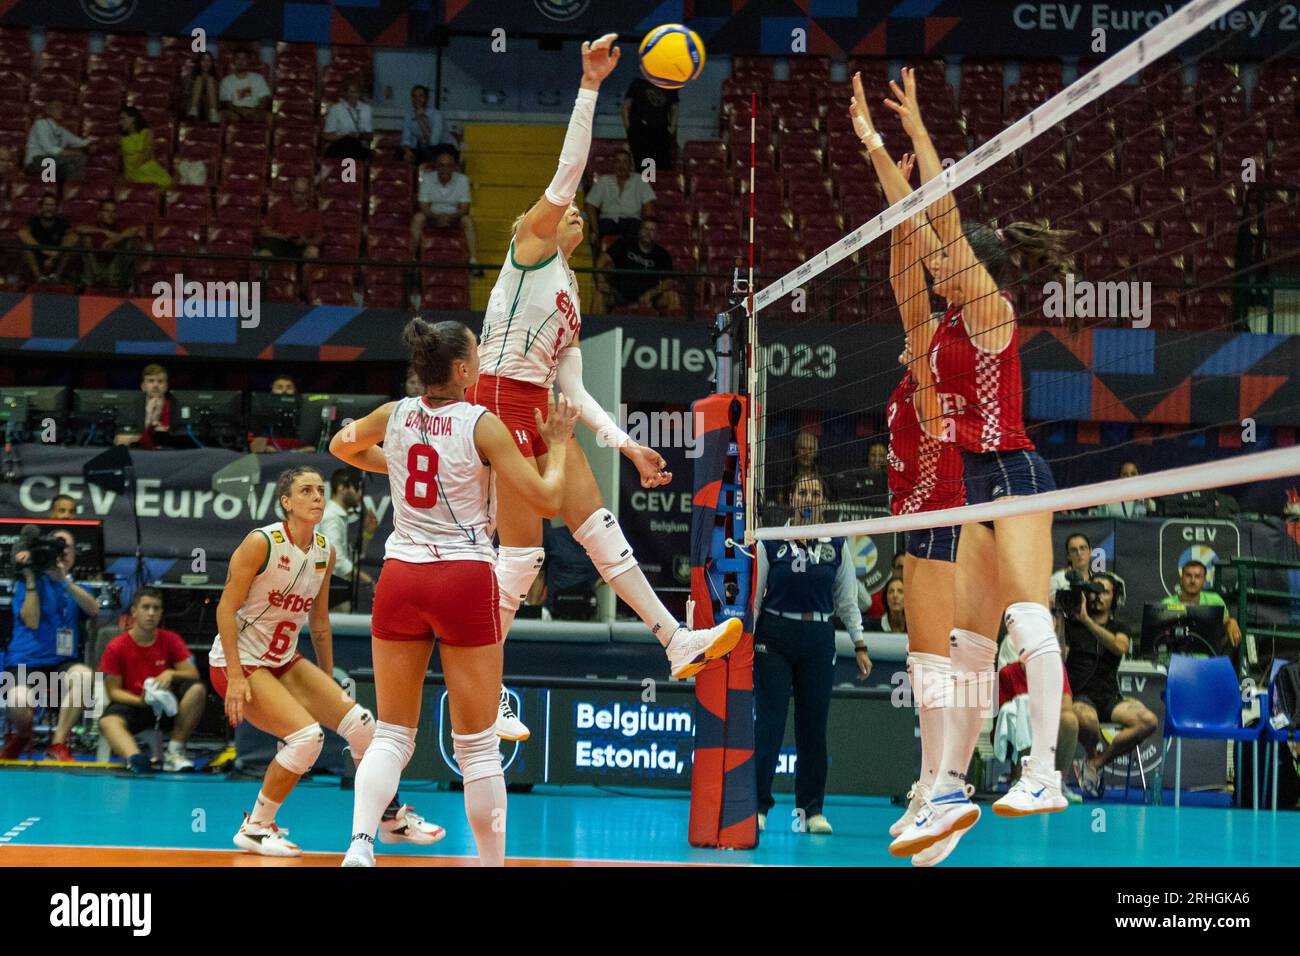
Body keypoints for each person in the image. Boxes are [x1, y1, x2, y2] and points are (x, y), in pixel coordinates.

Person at [469, 34, 741, 741]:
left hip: (539, 405)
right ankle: (486, 694)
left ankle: (675, 638)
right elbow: (569, 168)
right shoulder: (527, 251)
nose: (576, 210)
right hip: (497, 398)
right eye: (567, 207)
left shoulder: (568, 293)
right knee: (521, 560)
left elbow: (575, 391)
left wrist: (629, 446)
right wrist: (591, 85)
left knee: (598, 530)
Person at [857, 67, 1076, 859]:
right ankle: (946, 786)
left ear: (970, 268)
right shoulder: (930, 338)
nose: (935, 262)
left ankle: (1045, 767)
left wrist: (915, 133)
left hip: (1008, 470)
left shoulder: (991, 312)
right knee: (971, 652)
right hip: (966, 491)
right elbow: (904, 243)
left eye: (947, 259)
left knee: (1023, 618)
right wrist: (878, 151)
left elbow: (938, 220)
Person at [329, 318, 580, 867]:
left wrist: (389, 462)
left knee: (393, 734)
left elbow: (340, 445)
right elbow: (545, 501)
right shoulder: (482, 424)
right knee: (477, 746)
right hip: (463, 577)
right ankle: (491, 865)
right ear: (464, 369)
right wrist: (557, 447)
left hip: (401, 577)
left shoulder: (393, 414)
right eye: (477, 355)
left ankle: (359, 847)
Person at [210, 466, 444, 856]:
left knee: (364, 727)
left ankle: (390, 820)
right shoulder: (261, 543)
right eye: (306, 490)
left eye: (320, 490)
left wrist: (327, 675)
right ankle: (256, 827)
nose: (317, 496)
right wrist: (235, 675)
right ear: (286, 502)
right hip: (240, 662)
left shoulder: (324, 550)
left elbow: (319, 622)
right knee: (307, 739)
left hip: (284, 660)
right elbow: (224, 609)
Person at [753, 475, 869, 836]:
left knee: (813, 728)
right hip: (774, 636)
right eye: (802, 490)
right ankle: (757, 807)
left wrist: (860, 644)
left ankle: (811, 811)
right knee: (769, 725)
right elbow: (755, 598)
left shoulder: (836, 542)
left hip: (819, 637)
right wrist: (745, 641)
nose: (809, 497)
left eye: (816, 492)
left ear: (824, 501)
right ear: (790, 497)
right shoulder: (769, 540)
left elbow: (847, 600)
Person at [1, 530, 100, 761]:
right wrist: (32, 578)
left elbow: (94, 610)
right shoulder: (25, 584)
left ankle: (57, 743)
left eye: (68, 548)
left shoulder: (78, 588)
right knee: (16, 701)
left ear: (75, 554)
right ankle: (24, 735)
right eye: (57, 548)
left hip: (60, 664)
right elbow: (32, 621)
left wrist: (65, 581)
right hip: (24, 663)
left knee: (84, 675)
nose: (63, 553)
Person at [1062, 572, 1157, 797]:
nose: (1098, 597)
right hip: (1078, 695)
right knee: (1087, 718)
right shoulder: (1070, 625)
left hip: (1108, 696)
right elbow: (1058, 654)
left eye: (1104, 591)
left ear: (1114, 597)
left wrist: (1087, 622)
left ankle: (1094, 764)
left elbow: (1119, 647)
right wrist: (1061, 616)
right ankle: (1092, 754)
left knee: (1147, 721)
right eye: (1093, 591)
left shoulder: (1119, 626)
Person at [97, 587, 206, 773]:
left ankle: (175, 752)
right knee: (108, 722)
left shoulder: (171, 640)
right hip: (134, 703)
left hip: (165, 708)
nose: (151, 613)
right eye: (146, 607)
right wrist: (140, 700)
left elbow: (192, 673)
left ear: (161, 613)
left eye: (156, 608)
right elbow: (113, 691)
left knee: (197, 690)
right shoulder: (116, 647)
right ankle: (136, 759)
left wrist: (171, 673)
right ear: (134, 611)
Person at [596, 217, 680, 314]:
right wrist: (601, 281)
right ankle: (596, 329)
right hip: (619, 295)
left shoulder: (662, 254)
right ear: (639, 231)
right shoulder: (624, 243)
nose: (648, 233)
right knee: (600, 295)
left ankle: (673, 329)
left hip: (649, 298)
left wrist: (650, 294)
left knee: (673, 297)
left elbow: (669, 281)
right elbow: (602, 260)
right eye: (645, 229)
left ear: (657, 235)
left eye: (652, 230)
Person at [319, 467, 377, 603]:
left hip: (335, 589)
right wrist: (366, 579)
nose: (360, 493)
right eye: (357, 488)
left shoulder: (338, 517)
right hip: (329, 591)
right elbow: (336, 560)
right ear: (341, 488)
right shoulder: (331, 518)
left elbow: (349, 558)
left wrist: (367, 534)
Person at [411, 148, 477, 266]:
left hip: (454, 216)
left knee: (468, 220)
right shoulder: (427, 178)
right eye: (441, 165)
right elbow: (423, 206)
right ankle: (411, 258)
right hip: (431, 215)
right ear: (436, 166)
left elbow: (464, 207)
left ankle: (473, 260)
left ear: (453, 167)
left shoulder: (462, 180)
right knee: (418, 218)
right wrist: (436, 217)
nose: (444, 169)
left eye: (448, 165)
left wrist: (450, 217)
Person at [256, 176, 322, 287]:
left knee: (313, 251)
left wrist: (305, 241)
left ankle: (304, 291)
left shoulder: (315, 214)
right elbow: (264, 231)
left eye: (303, 194)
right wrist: (283, 236)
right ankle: (264, 292)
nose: (299, 197)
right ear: (292, 191)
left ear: (309, 194)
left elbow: (319, 240)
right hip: (279, 243)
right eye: (297, 192)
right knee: (263, 255)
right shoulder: (279, 206)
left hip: (301, 246)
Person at [1161, 558, 1242, 648]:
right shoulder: (1167, 603)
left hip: (1208, 658)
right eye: (1188, 575)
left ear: (1204, 580)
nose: (1193, 580)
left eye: (1198, 576)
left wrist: (1231, 622)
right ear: (1181, 579)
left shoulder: (1215, 600)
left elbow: (1226, 621)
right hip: (1175, 657)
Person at [583, 148, 654, 249]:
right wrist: (595, 230)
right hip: (608, 221)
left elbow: (649, 208)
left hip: (632, 222)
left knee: (635, 234)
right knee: (600, 232)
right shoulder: (604, 181)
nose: (622, 165)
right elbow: (590, 205)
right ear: (613, 164)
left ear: (631, 165)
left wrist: (645, 228)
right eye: (618, 161)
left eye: (625, 161)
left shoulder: (640, 181)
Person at [75, 199, 142, 292]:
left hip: (114, 269)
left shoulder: (119, 224)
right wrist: (104, 231)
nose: (110, 214)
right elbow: (79, 228)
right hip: (94, 268)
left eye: (113, 211)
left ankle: (115, 281)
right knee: (85, 239)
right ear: (100, 213)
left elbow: (135, 229)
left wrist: (114, 239)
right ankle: (93, 278)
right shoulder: (94, 224)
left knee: (133, 241)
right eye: (107, 211)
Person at [114, 363, 181, 449]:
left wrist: (165, 435)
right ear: (143, 386)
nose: (155, 385)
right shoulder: (129, 409)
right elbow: (119, 441)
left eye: (160, 381)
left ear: (166, 386)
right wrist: (147, 422)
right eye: (151, 381)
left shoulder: (177, 407)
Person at [18, 193, 78, 284]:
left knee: (72, 245)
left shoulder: (62, 222)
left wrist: (55, 255)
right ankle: (39, 277)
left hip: (56, 257)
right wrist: (44, 250)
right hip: (38, 255)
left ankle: (56, 276)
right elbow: (22, 233)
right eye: (46, 205)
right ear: (41, 207)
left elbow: (74, 237)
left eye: (52, 205)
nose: (49, 208)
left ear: (56, 208)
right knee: (26, 247)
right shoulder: (34, 220)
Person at [24, 100, 91, 180]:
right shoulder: (40, 124)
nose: (61, 110)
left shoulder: (62, 131)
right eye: (57, 108)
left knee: (69, 168)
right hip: (36, 162)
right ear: (48, 111)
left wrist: (99, 142)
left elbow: (80, 142)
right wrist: (73, 153)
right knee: (78, 158)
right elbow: (49, 149)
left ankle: (67, 190)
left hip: (53, 162)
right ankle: (77, 187)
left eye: (62, 108)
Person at [622, 76, 678, 173]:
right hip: (640, 130)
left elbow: (675, 109)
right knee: (642, 166)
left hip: (661, 131)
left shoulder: (671, 86)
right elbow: (626, 107)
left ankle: (659, 187)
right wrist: (630, 130)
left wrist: (671, 129)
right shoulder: (638, 83)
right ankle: (644, 187)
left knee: (662, 166)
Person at [249, 374, 306, 453]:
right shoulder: (263, 414)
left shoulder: (305, 413)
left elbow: (311, 448)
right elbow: (255, 449)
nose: (284, 391)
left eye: (289, 388)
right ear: (272, 390)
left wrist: (293, 452)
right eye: (279, 387)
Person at [118, 106, 173, 188]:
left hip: (146, 168)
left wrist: (136, 167)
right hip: (131, 172)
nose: (120, 122)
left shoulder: (147, 132)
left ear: (133, 119)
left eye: (123, 119)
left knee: (166, 183)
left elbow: (147, 153)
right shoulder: (121, 137)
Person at [322, 79, 372, 161]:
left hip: (358, 145)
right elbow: (327, 135)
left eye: (357, 92)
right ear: (346, 93)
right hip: (340, 146)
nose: (354, 95)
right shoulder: (336, 109)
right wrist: (345, 136)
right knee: (347, 144)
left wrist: (360, 136)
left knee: (357, 149)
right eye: (352, 92)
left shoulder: (366, 109)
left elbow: (370, 135)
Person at [219, 49, 272, 124]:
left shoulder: (258, 78)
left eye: (244, 58)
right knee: (223, 115)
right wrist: (242, 112)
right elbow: (228, 104)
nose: (241, 61)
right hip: (235, 113)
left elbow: (264, 100)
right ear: (234, 61)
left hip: (255, 111)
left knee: (269, 116)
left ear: (248, 61)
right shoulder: (226, 81)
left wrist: (253, 111)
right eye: (238, 58)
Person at [1090, 461, 1156, 518]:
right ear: (1119, 478)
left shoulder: (1149, 503)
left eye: (1133, 474)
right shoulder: (1109, 504)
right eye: (1125, 474)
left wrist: (1149, 510)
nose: (1129, 477)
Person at [399, 85, 444, 164]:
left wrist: (420, 118)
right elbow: (405, 139)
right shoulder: (408, 115)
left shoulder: (437, 115)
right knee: (399, 154)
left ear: (426, 99)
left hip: (441, 148)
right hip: (420, 148)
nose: (417, 99)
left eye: (421, 96)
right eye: (414, 96)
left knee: (429, 154)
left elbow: (433, 142)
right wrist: (407, 152)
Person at [1049, 532, 1095, 606]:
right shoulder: (1058, 579)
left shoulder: (1096, 580)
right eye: (1073, 550)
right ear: (1068, 556)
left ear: (1090, 552)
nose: (1079, 553)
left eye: (1082, 548)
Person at [184, 51, 220, 123]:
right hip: (192, 106)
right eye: (203, 60)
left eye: (208, 61)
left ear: (212, 63)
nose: (206, 63)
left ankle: (214, 113)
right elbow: (186, 92)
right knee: (199, 79)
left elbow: (219, 95)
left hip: (210, 107)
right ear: (199, 62)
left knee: (210, 79)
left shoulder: (216, 79)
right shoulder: (191, 77)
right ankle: (193, 109)